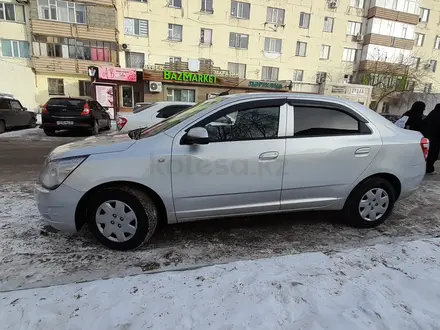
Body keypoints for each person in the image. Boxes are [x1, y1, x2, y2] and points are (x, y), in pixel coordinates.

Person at [422, 104, 440, 174]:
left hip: (427, 137)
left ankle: (427, 167)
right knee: (433, 154)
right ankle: (429, 168)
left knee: (428, 154)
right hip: (435, 138)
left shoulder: (431, 114)